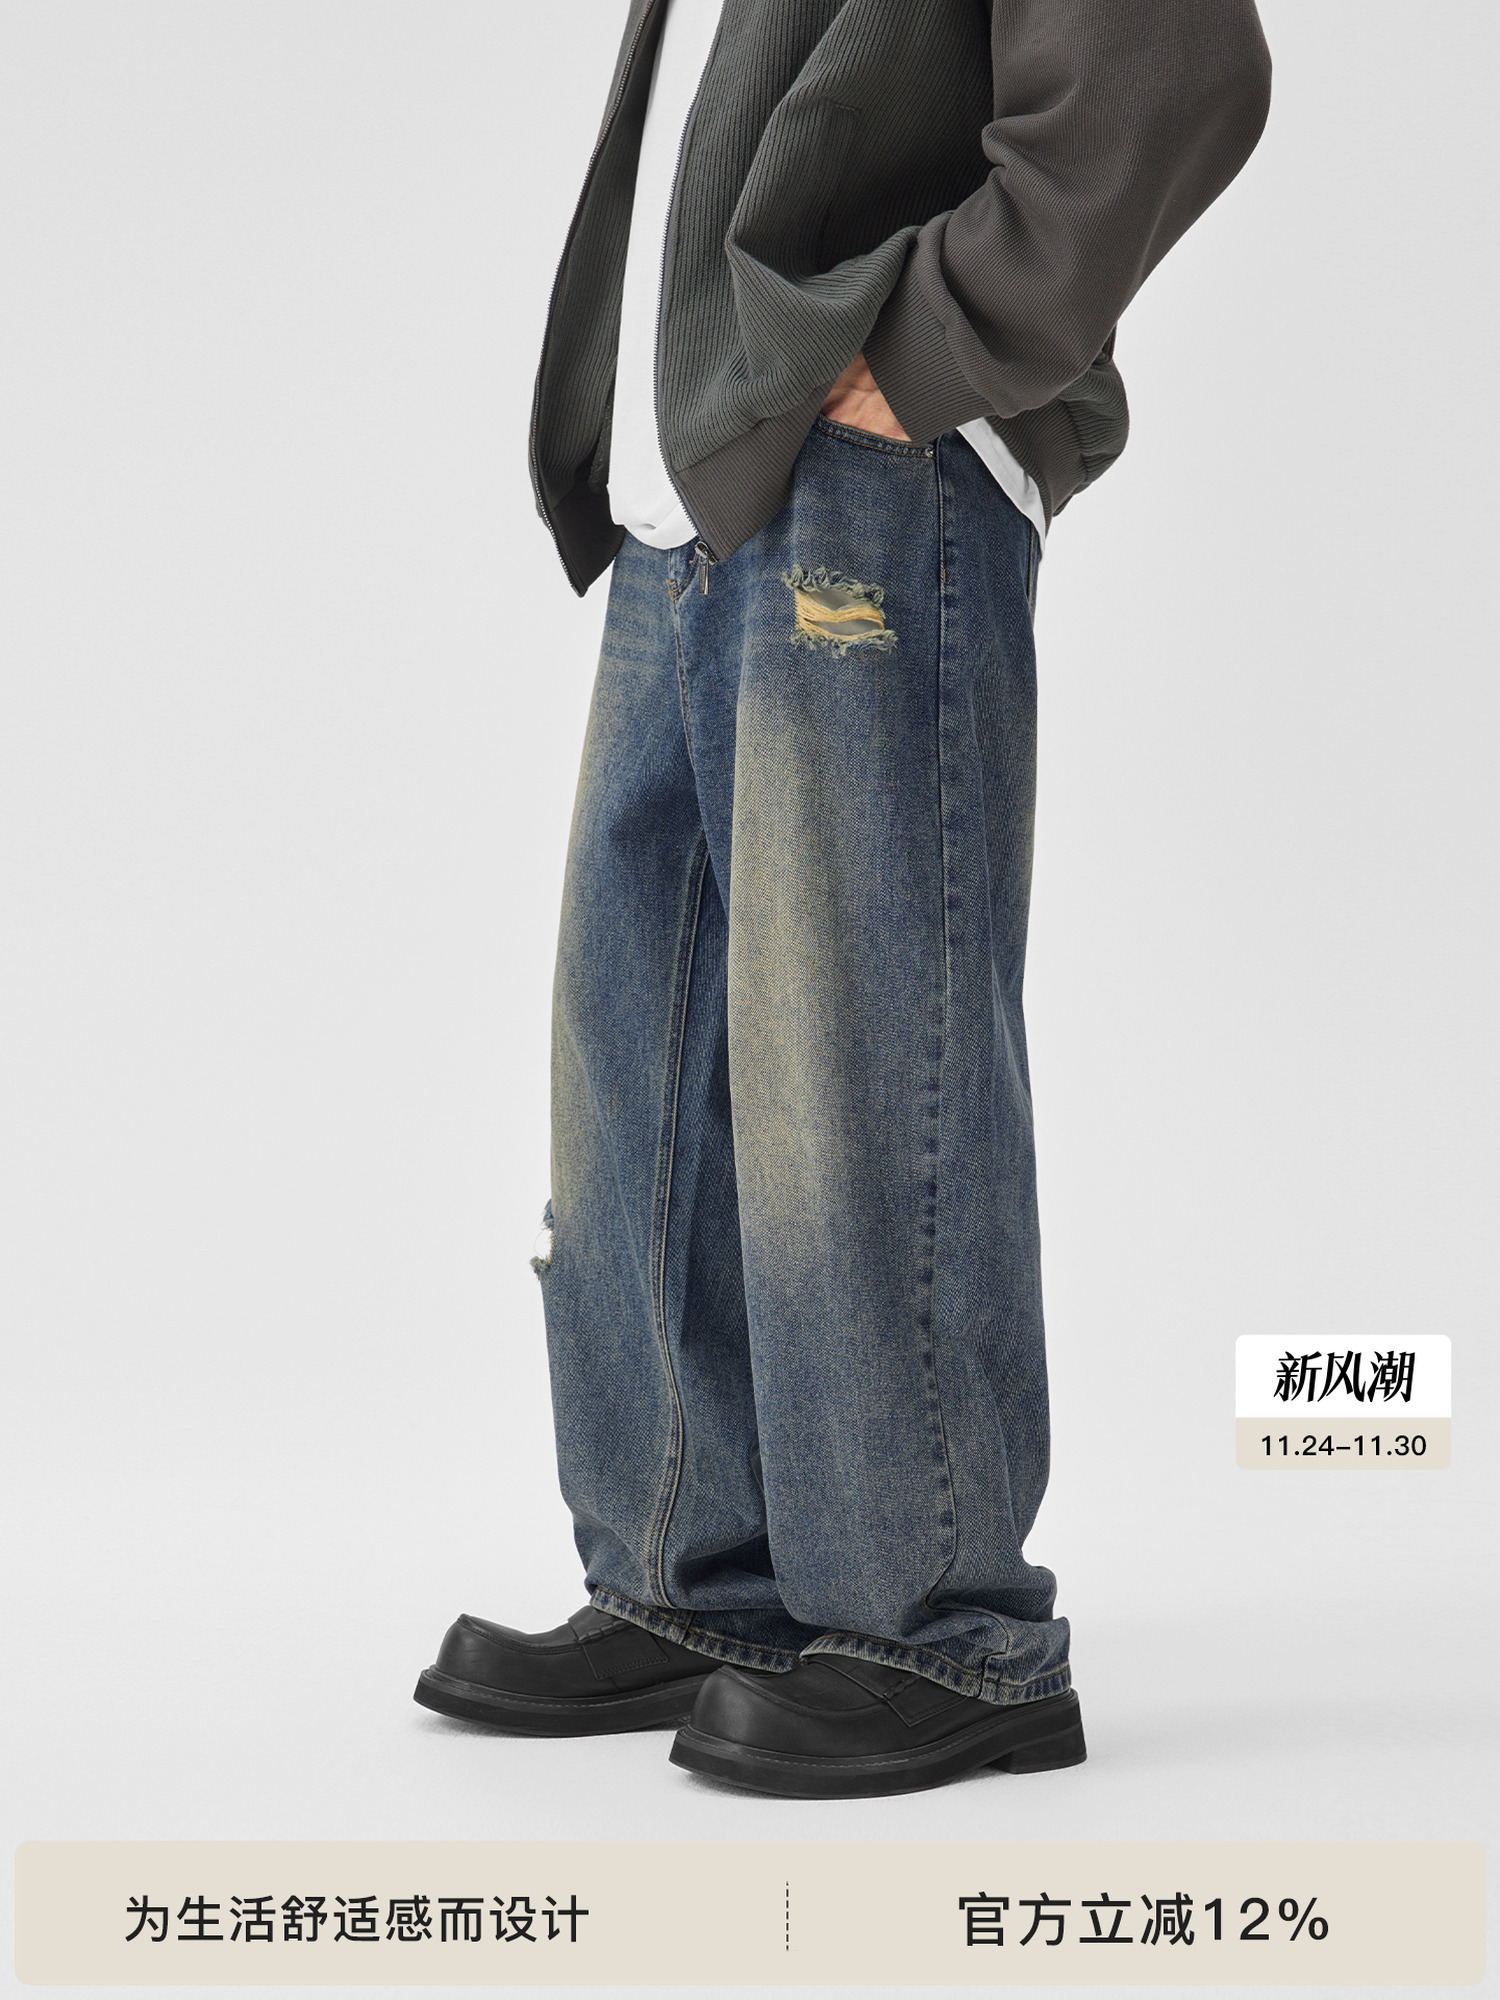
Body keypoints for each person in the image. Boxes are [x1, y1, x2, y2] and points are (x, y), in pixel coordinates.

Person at [415, 0, 1271, 1799]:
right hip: (695, 490)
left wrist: (931, 344)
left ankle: (941, 1624)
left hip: (867, 470)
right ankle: (696, 1571)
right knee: (636, 1068)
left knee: (860, 1056)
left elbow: (1175, 59)